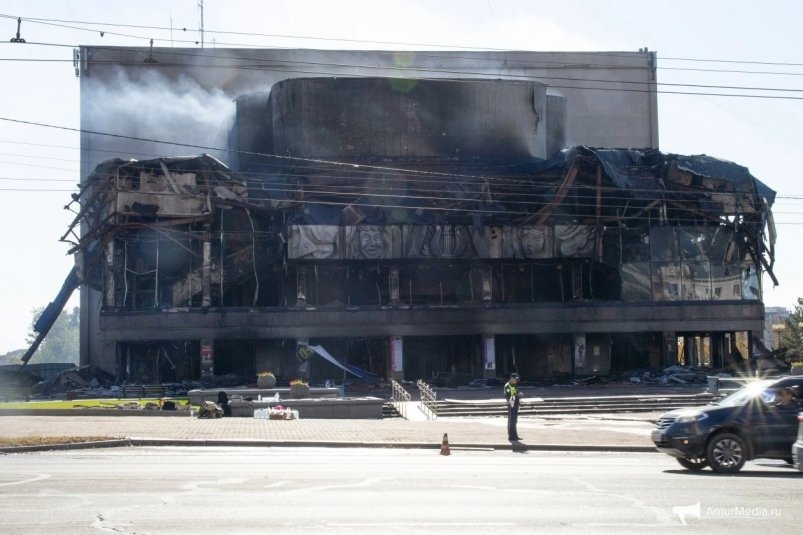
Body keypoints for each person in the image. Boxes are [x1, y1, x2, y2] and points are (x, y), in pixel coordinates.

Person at [504, 372, 523, 441]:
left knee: (514, 421)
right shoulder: (507, 386)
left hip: (515, 404)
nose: (516, 381)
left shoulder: (514, 385)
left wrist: (519, 395)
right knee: (511, 421)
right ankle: (511, 437)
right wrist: (517, 396)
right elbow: (508, 397)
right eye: (515, 379)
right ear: (512, 378)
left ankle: (515, 436)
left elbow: (515, 393)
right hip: (511, 404)